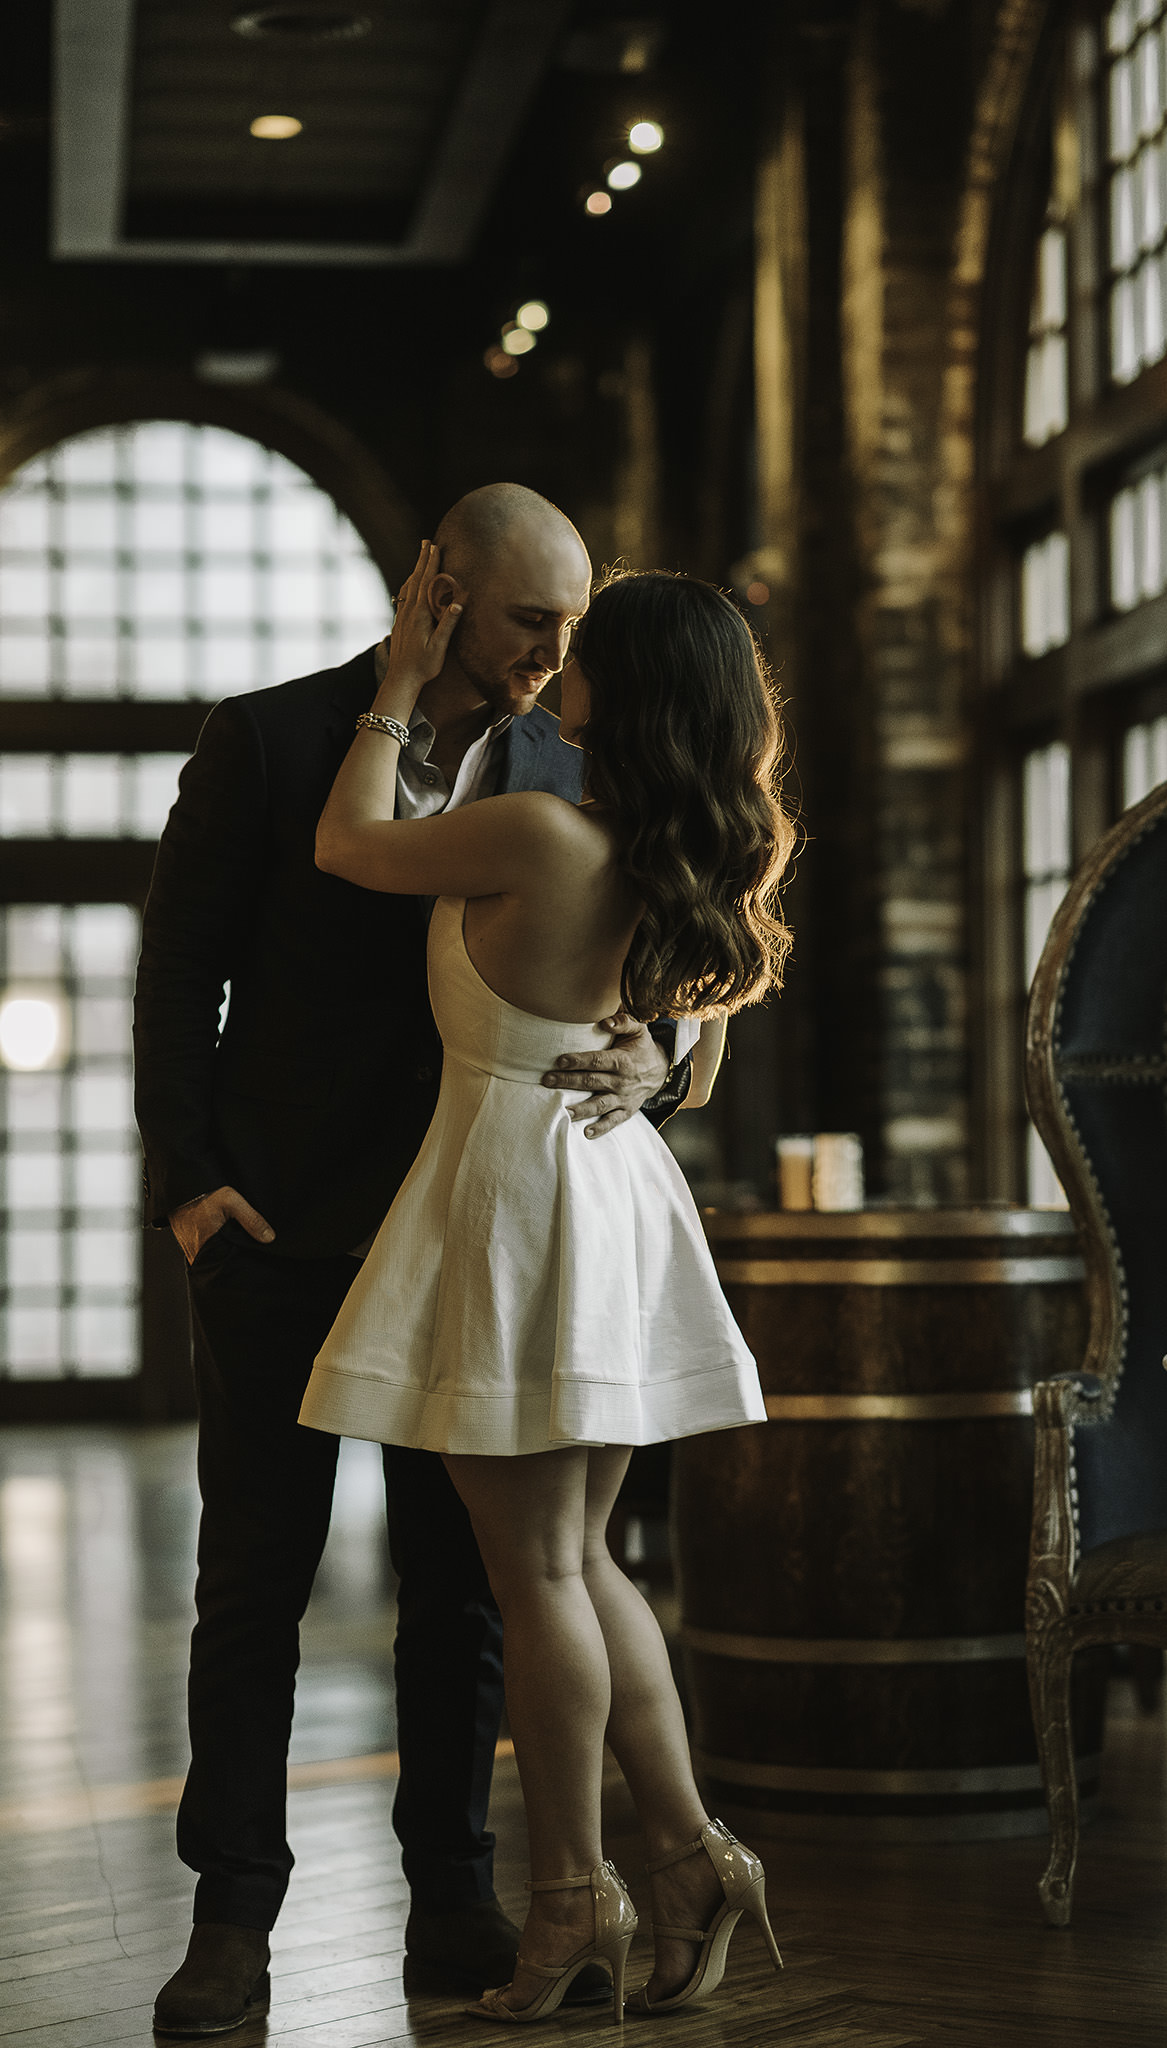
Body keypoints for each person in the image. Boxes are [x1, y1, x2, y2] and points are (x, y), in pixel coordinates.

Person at [134, 485, 689, 2037]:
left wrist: (674, 1050)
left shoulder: (576, 756)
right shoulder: (268, 740)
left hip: (478, 1228)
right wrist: (190, 1183)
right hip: (283, 1224)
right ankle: (232, 1921)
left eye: (575, 629)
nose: (553, 657)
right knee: (255, 1582)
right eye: (531, 622)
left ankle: (452, 1895)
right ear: (436, 590)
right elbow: (177, 977)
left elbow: (670, 928)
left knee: (472, 1595)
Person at [297, 548, 796, 2025]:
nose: (560, 652)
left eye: (589, 640)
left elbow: (347, 846)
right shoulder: (666, 848)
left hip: (522, 1185)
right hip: (610, 1190)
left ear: (619, 688)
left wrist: (396, 686)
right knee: (583, 1563)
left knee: (539, 1578)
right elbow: (697, 1016)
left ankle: (577, 1894)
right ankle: (692, 1858)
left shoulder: (534, 828)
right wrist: (672, 1055)